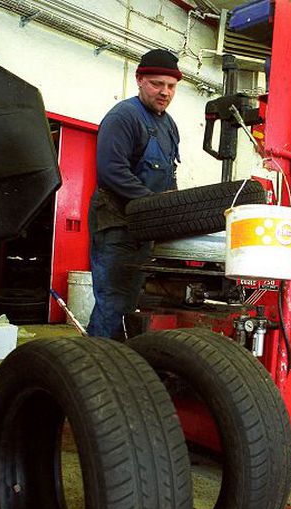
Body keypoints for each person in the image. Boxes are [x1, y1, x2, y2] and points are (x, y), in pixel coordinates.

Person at [87, 49, 182, 339]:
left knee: (130, 302)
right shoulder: (123, 117)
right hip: (117, 225)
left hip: (144, 227)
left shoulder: (169, 125)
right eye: (157, 84)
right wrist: (155, 206)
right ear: (139, 79)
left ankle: (111, 360)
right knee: (113, 300)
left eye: (171, 86)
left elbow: (169, 177)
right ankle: (98, 368)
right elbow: (112, 170)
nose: (164, 92)